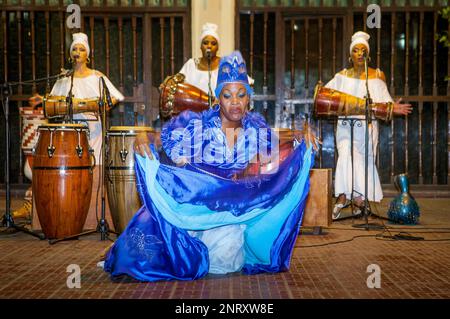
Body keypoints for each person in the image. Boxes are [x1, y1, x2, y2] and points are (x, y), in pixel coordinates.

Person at [102, 51, 317, 282]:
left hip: (225, 210)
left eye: (241, 95)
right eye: (227, 95)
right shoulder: (196, 125)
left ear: (248, 99)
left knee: (227, 257)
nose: (235, 101)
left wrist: (301, 135)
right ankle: (118, 246)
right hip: (184, 203)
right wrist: (143, 136)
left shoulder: (256, 129)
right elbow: (158, 138)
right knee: (136, 256)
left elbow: (282, 138)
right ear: (217, 98)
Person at [21, 32, 124, 223]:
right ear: (71, 55)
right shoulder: (64, 79)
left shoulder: (97, 77)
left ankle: (94, 219)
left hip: (93, 133)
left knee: (93, 166)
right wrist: (43, 100)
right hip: (69, 135)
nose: (78, 52)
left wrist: (95, 105)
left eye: (82, 49)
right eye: (75, 49)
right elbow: (53, 104)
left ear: (88, 55)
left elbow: (114, 98)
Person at [325, 31, 412, 220]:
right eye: (355, 50)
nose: (359, 53)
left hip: (367, 127)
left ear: (368, 54)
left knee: (363, 162)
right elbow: (326, 97)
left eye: (362, 50)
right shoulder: (341, 76)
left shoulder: (376, 76)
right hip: (347, 126)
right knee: (346, 155)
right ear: (350, 55)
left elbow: (385, 104)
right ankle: (342, 196)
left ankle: (358, 200)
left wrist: (392, 107)